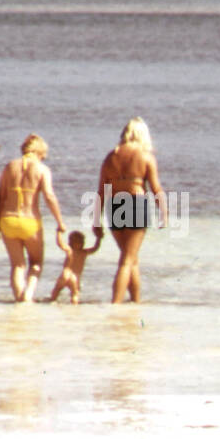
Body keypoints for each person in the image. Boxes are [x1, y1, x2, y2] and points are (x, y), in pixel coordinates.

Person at [94, 117, 167, 304]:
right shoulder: (145, 157)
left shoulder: (111, 157)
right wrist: (164, 213)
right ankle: (115, 305)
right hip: (135, 204)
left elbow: (101, 191)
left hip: (115, 205)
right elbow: (156, 188)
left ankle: (136, 303)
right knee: (127, 260)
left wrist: (96, 221)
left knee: (130, 258)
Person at [0, 134, 67, 302]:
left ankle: (19, 299)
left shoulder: (10, 166)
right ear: (39, 152)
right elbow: (49, 196)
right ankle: (28, 295)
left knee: (17, 265)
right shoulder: (42, 169)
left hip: (8, 220)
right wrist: (60, 221)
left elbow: (0, 196)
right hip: (30, 221)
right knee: (36, 263)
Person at [48, 229, 104, 304]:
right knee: (75, 294)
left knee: (57, 289)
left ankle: (52, 300)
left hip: (65, 274)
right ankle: (75, 305)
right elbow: (95, 248)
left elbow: (60, 243)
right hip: (75, 277)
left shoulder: (69, 250)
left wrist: (58, 233)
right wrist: (98, 238)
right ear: (83, 243)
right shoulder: (84, 252)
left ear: (70, 242)